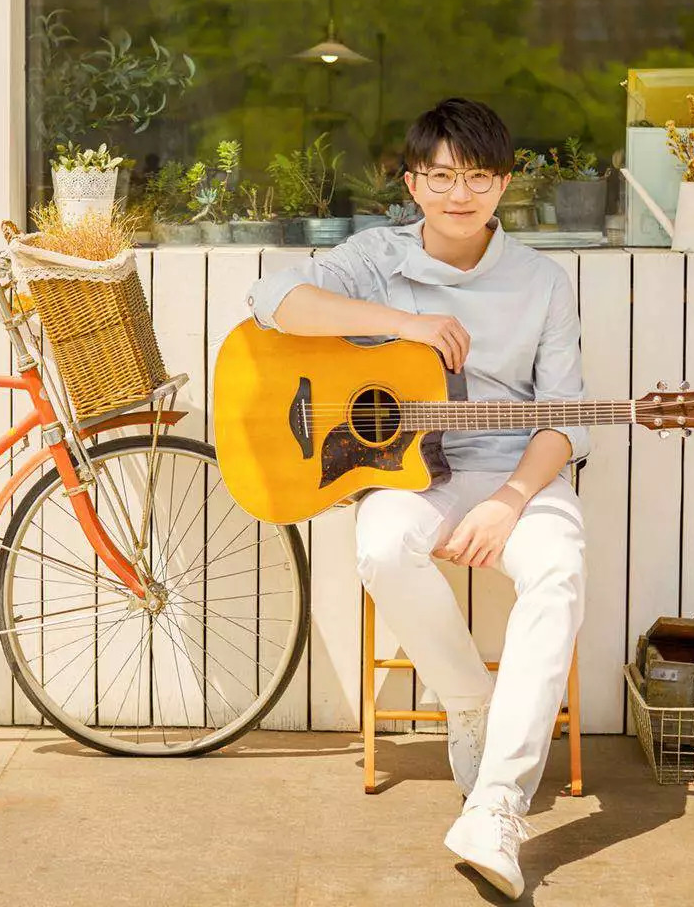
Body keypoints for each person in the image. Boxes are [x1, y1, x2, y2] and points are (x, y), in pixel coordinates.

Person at [245, 97, 588, 901]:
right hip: (413, 472)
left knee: (560, 570)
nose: (458, 195)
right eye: (440, 177)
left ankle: (497, 809)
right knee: (379, 545)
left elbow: (565, 420)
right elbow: (272, 301)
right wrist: (406, 325)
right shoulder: (376, 256)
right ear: (411, 183)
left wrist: (509, 499)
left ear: (505, 182)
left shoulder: (543, 282)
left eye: (477, 177)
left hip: (514, 471)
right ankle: (470, 706)